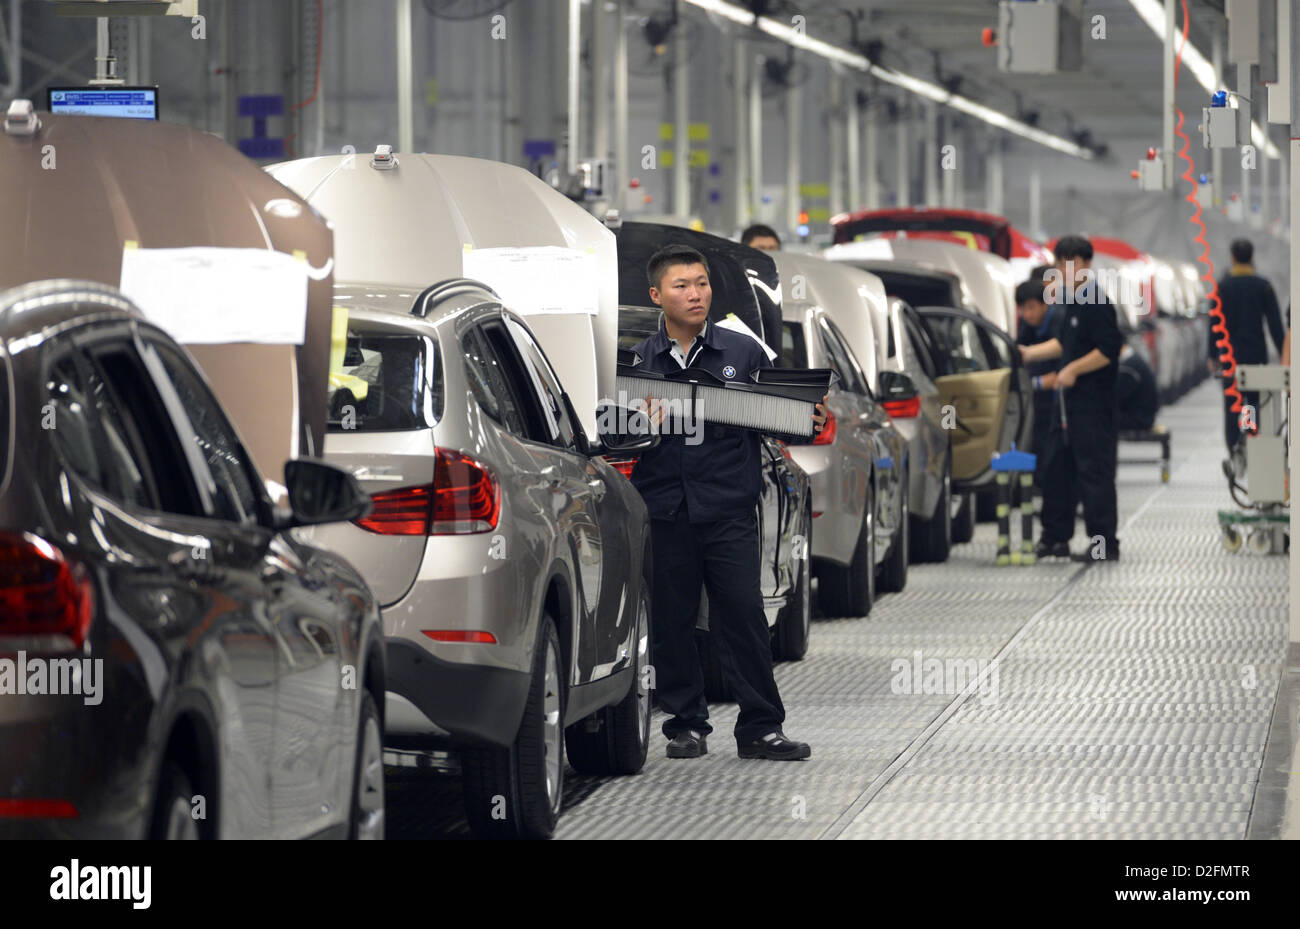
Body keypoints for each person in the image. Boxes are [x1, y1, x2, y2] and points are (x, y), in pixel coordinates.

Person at [628, 244, 825, 761]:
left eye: (702, 283)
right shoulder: (636, 365)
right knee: (672, 621)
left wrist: (812, 421)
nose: (696, 295)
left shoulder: (743, 352)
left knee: (742, 614)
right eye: (682, 286)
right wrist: (635, 425)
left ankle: (761, 726)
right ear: (657, 295)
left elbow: (785, 415)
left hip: (729, 510)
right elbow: (610, 437)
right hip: (666, 509)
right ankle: (685, 725)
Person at [1019, 235, 1124, 563]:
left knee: (1093, 474)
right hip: (1069, 405)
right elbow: (1066, 344)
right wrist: (1029, 353)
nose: (1063, 269)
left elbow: (1108, 349)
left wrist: (1074, 371)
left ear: (1085, 264)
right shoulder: (1074, 300)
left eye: (1070, 262)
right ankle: (1055, 538)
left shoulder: (1095, 299)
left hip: (1093, 404)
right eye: (1059, 262)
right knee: (1058, 469)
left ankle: (1104, 546)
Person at [1209, 239, 1285, 459]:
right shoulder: (1263, 286)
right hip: (1255, 354)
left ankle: (1234, 449)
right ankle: (1251, 437)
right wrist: (1283, 352)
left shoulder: (1222, 287)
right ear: (1252, 258)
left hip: (1229, 355)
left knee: (1232, 401)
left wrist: (1212, 355)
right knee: (1252, 400)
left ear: (1232, 257)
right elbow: (1275, 324)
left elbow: (1214, 324)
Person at [1014, 277, 1071, 555]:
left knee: (1054, 468)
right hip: (1035, 408)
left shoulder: (1059, 320)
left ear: (1046, 304)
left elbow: (1060, 372)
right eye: (1022, 309)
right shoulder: (1027, 327)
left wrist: (1036, 381)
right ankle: (1053, 535)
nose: (1027, 315)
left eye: (1032, 308)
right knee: (1043, 468)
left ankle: (1055, 535)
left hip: (1060, 408)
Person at [1115, 344, 1158, 432]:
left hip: (1138, 420)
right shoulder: (1134, 360)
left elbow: (1117, 397)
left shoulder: (1128, 367)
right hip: (1143, 417)